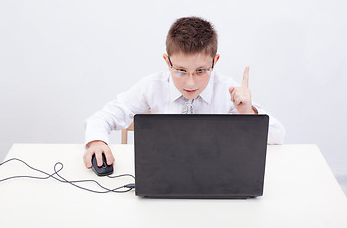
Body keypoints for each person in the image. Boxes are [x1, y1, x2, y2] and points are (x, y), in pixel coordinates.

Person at [83, 16, 286, 168]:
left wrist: (248, 114)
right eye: (180, 70)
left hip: (215, 174)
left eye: (200, 71)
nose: (190, 82)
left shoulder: (228, 90)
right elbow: (102, 117)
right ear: (167, 61)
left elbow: (278, 134)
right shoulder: (152, 86)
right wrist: (96, 140)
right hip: (163, 173)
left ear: (214, 62)